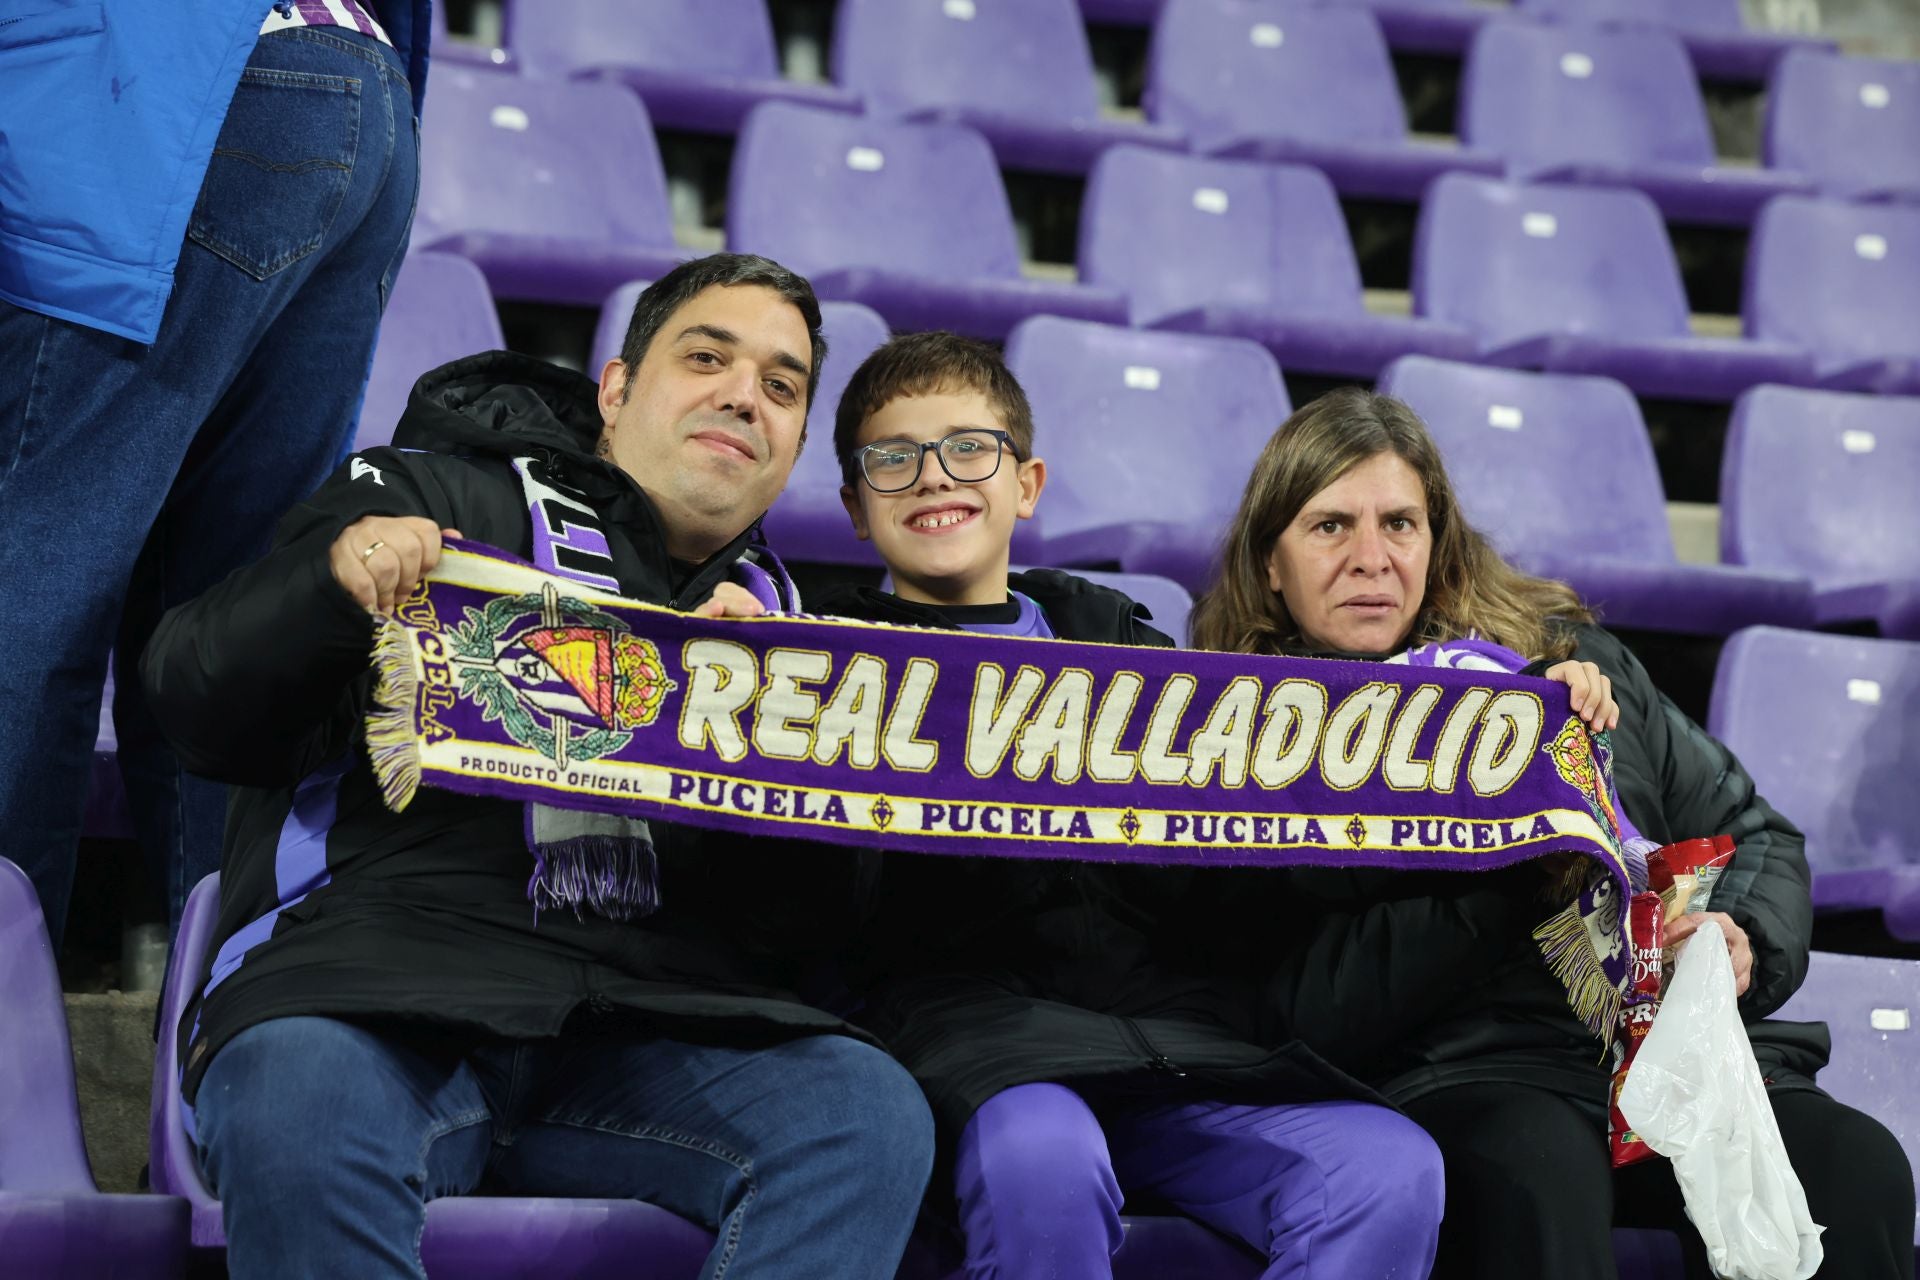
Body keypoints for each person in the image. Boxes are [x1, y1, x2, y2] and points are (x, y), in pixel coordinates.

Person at [140, 255, 935, 1280]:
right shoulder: (431, 493)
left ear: (790, 451)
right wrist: (328, 588)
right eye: (707, 357)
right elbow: (199, 707)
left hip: (653, 1029)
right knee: (300, 1085)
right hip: (380, 993)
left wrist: (772, 747)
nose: (746, 394)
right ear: (615, 389)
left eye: (783, 387)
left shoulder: (796, 634)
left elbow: (804, 935)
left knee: (861, 1113)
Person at [1190, 386, 1916, 1280]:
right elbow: (1298, 1012)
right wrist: (1515, 861)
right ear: (1270, 563)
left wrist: (1742, 941)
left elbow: (1757, 832)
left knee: (1855, 1169)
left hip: (1666, 1057)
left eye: (1401, 524)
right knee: (1538, 1177)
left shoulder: (1573, 667)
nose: (1371, 559)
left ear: (1438, 541)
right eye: (1330, 527)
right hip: (1467, 1069)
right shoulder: (1247, 742)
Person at [821, 331, 1475, 1280]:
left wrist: (1530, 751)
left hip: (1180, 1041)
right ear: (852, 505)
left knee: (1388, 1167)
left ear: (1028, 483)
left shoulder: (1133, 649)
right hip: (988, 1051)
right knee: (1042, 1161)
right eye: (893, 459)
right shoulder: (820, 662)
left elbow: (1252, 861)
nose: (934, 478)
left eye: (970, 448)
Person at [0, 0, 430, 954]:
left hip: (161, 90)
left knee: (32, 583)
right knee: (223, 618)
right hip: (365, 88)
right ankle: (231, 1024)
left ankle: (3, 1011)